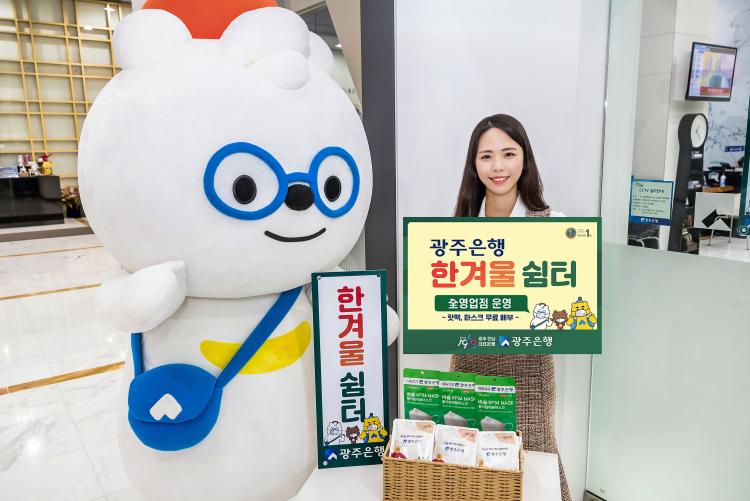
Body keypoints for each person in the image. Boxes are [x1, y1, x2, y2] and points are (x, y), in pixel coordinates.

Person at [451, 113, 571, 501]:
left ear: (525, 159)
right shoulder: (455, 231)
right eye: (486, 156)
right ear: (474, 165)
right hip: (470, 364)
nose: (498, 166)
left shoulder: (554, 224)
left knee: (535, 471)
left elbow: (566, 310)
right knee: (471, 469)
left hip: (529, 373)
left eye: (508, 154)